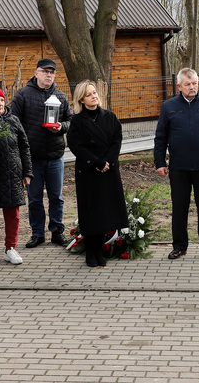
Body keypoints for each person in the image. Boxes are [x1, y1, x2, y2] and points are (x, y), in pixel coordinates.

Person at [154, 68, 199, 261]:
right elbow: (160, 137)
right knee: (179, 208)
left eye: (195, 83)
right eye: (187, 84)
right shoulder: (168, 107)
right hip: (179, 167)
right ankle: (179, 246)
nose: (192, 87)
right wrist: (160, 162)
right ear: (178, 86)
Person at [10, 58, 72, 248]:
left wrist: (61, 127)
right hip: (32, 158)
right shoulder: (23, 95)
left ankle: (57, 231)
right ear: (36, 73)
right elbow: (13, 123)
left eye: (52, 72)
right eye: (45, 71)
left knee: (57, 197)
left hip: (55, 155)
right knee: (35, 198)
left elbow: (71, 121)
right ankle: (37, 233)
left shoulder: (60, 97)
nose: (49, 75)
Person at [67, 80, 128, 268]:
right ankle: (90, 251)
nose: (94, 96)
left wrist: (108, 161)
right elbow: (76, 145)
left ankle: (99, 249)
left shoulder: (110, 117)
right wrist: (96, 162)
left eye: (95, 93)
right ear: (81, 100)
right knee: (90, 211)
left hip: (108, 170)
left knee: (105, 211)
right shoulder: (77, 121)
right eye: (89, 94)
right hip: (88, 172)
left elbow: (116, 140)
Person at [0, 87, 32, 268]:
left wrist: (27, 172)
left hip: (12, 175)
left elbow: (24, 147)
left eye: (2, 100)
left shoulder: (14, 120)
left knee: (13, 215)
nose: (0, 104)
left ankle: (11, 248)